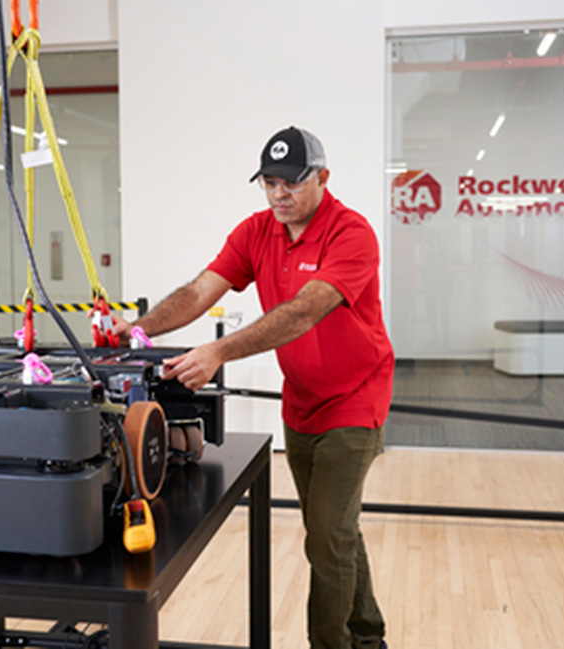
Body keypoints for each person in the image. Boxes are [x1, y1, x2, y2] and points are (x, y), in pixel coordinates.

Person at [113, 126, 393, 649]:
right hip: (302, 402)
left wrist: (218, 351)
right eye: (269, 182)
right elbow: (200, 290)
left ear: (323, 178)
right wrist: (137, 330)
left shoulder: (351, 234)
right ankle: (370, 637)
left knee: (327, 537)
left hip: (356, 400)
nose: (279, 194)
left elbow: (305, 311)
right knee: (335, 531)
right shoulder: (256, 232)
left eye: (291, 182)